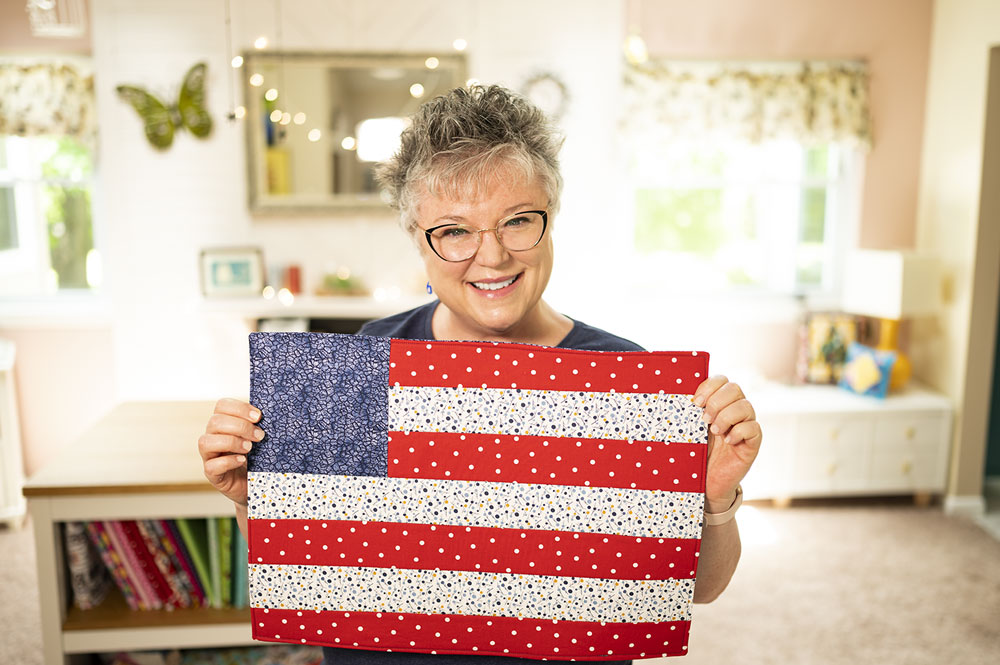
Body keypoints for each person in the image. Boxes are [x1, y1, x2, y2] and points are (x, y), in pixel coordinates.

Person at [199, 84, 762, 665]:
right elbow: (319, 571)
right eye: (454, 231)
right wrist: (255, 499)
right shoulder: (370, 357)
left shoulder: (624, 377)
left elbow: (697, 588)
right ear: (419, 240)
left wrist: (715, 498)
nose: (491, 257)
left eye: (517, 221)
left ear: (552, 218)